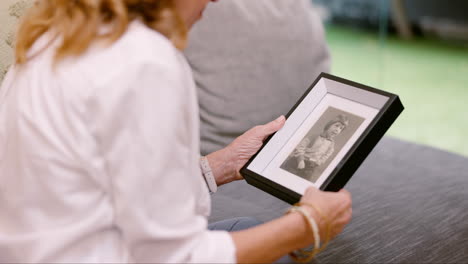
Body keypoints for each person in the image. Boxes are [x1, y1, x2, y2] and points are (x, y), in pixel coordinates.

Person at [0, 0, 352, 263]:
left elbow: (108, 188)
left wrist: (221, 165)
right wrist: (309, 224)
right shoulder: (145, 62)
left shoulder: (52, 40)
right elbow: (175, 258)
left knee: (246, 225)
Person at [282, 115, 349, 181]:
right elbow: (300, 147)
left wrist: (318, 162)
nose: (337, 130)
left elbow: (326, 155)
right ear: (328, 125)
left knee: (302, 181)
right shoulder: (314, 136)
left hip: (311, 166)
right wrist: (300, 160)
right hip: (297, 161)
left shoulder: (331, 145)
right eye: (336, 125)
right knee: (287, 177)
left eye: (341, 128)